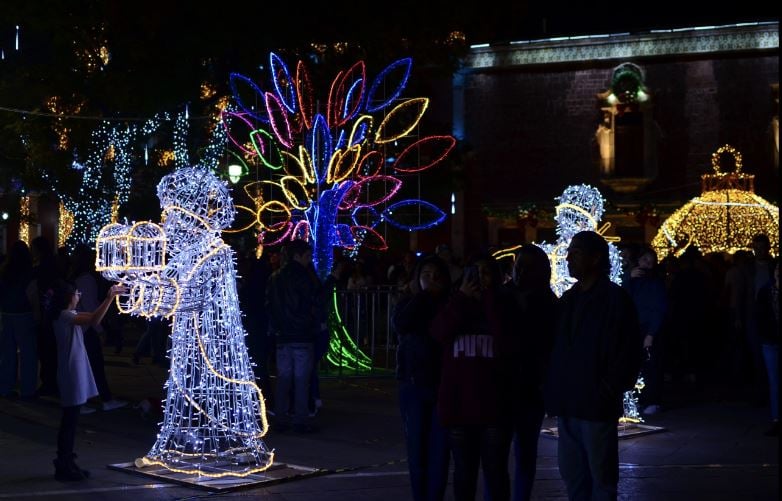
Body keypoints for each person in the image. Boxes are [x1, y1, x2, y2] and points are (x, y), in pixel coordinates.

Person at [544, 230, 641, 501]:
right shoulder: (569, 299)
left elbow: (628, 350)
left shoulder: (614, 300)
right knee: (573, 477)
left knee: (601, 479)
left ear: (596, 258)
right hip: (570, 402)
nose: (568, 259)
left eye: (576, 253)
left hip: (596, 404)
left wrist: (609, 387)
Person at [432, 252, 514, 501]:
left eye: (486, 273)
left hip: (494, 406)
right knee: (464, 473)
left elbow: (507, 341)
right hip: (460, 406)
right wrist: (463, 299)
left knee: (496, 472)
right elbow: (438, 333)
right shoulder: (454, 302)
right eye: (475, 273)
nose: (480, 279)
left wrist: (488, 299)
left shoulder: (504, 304)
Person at [49, 280, 126, 481]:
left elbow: (92, 319)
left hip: (73, 370)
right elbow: (94, 319)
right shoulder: (65, 315)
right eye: (77, 293)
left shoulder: (67, 315)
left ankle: (67, 461)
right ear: (69, 297)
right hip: (70, 372)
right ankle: (64, 463)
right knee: (69, 420)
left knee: (71, 420)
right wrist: (109, 297)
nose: (79, 296)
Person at [392, 255, 452, 501]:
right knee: (416, 449)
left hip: (443, 384)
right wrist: (423, 295)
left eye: (436, 275)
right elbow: (402, 324)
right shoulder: (409, 302)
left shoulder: (450, 304)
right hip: (413, 383)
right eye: (426, 275)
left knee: (439, 450)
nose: (431, 280)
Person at [506, 244, 557, 501]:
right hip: (503, 385)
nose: (520, 271)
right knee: (498, 453)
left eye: (527, 267)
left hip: (530, 387)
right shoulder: (502, 296)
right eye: (518, 265)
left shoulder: (547, 302)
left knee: (525, 451)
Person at [266, 239, 321, 433]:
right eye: (306, 256)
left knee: (284, 379)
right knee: (301, 380)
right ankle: (299, 420)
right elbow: (312, 303)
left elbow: (270, 306)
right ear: (298, 256)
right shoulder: (305, 277)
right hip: (301, 335)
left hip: (283, 335)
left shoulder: (275, 277)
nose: (308, 260)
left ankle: (280, 418)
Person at [70, 245, 127, 412]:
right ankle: (102, 399)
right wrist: (100, 329)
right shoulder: (87, 279)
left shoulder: (78, 277)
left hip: (81, 326)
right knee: (94, 364)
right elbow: (91, 307)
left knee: (88, 365)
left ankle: (89, 400)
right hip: (87, 328)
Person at [624, 246, 668, 415]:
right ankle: (640, 399)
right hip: (634, 328)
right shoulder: (632, 280)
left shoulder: (656, 282)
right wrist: (629, 277)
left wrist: (651, 334)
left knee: (651, 365)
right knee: (637, 366)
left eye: (651, 262)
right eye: (644, 260)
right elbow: (623, 297)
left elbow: (659, 309)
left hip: (649, 329)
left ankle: (653, 400)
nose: (647, 265)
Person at [0, 241, 37, 399]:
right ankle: (27, 390)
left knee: (8, 353)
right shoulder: (29, 272)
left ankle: (5, 387)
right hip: (24, 313)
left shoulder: (4, 271)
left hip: (7, 314)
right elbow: (32, 294)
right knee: (28, 354)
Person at [756, 261, 779, 436]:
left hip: (770, 339)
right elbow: (760, 316)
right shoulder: (766, 291)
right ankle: (776, 419)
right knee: (774, 381)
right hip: (771, 341)